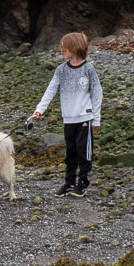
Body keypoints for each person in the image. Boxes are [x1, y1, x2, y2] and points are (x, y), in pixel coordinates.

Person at [25, 32, 102, 198]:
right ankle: (69, 183)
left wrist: (96, 118)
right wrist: (39, 110)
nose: (62, 50)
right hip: (68, 119)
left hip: (85, 119)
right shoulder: (61, 70)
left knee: (84, 153)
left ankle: (83, 183)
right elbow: (50, 90)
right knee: (70, 153)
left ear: (74, 48)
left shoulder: (88, 69)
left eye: (64, 48)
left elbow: (97, 94)